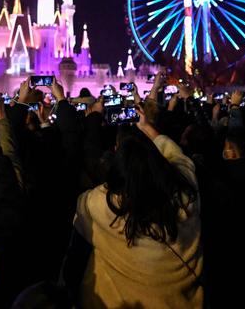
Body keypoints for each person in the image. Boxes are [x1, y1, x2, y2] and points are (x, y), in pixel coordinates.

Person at [67, 99, 203, 308]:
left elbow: (73, 265)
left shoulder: (98, 205)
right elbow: (180, 159)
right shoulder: (184, 193)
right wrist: (147, 126)